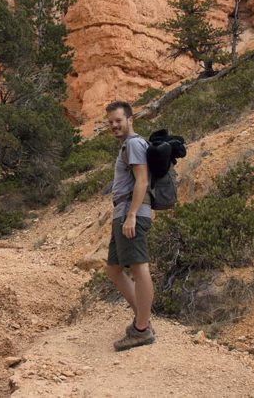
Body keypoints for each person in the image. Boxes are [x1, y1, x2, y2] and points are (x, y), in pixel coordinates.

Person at [103, 100, 155, 351]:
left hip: (130, 212)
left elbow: (142, 181)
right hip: (122, 212)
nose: (113, 125)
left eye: (118, 120)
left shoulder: (134, 144)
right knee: (113, 269)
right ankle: (142, 320)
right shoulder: (127, 146)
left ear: (130, 119)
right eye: (110, 121)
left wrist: (132, 214)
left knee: (139, 266)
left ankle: (142, 330)